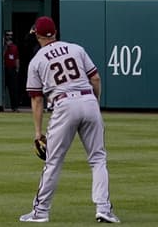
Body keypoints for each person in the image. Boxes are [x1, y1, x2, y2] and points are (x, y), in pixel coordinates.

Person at [19, 16, 120, 224]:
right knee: (98, 159)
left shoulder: (37, 60)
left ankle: (40, 212)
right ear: (55, 32)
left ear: (37, 34)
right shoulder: (76, 48)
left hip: (63, 104)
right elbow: (95, 78)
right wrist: (94, 103)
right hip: (88, 100)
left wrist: (38, 132)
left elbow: (37, 99)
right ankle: (104, 209)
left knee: (53, 162)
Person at [3, 30, 21, 112]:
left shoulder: (14, 46)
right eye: (8, 35)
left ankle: (15, 107)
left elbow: (17, 58)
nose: (9, 37)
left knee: (13, 89)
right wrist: (6, 47)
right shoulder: (3, 45)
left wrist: (17, 68)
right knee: (3, 88)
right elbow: (1, 55)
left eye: (11, 35)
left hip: (12, 69)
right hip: (4, 70)